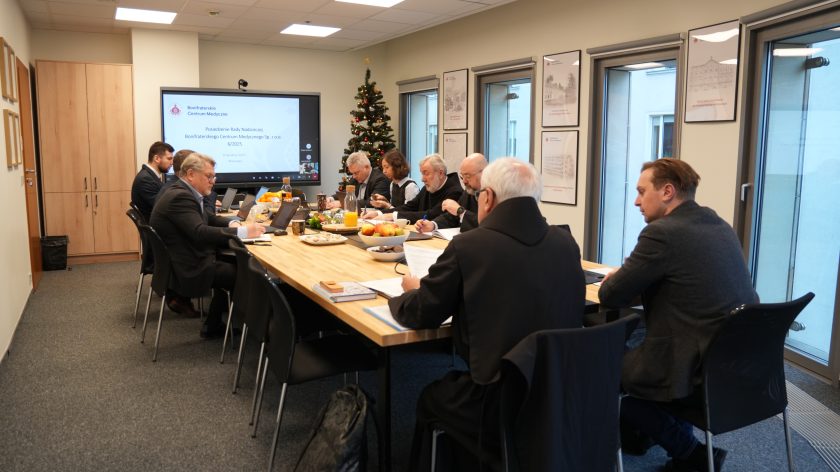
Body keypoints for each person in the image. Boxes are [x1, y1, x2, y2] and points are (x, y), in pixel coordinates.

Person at [389, 158, 586, 470]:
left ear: (487, 197)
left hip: (496, 400)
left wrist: (410, 291)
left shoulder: (469, 245)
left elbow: (421, 313)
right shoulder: (566, 242)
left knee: (430, 397)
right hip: (561, 393)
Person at [598, 158, 758, 472]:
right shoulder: (717, 224)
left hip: (692, 367)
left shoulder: (663, 234)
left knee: (600, 365)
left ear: (668, 191)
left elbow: (610, 294)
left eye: (642, 191)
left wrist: (620, 277)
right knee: (636, 349)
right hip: (738, 364)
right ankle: (656, 434)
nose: (636, 201)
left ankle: (690, 453)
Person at [150, 153, 265, 338]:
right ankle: (260, 330)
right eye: (209, 176)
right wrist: (243, 232)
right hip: (189, 267)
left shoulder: (182, 191)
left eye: (214, 176)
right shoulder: (180, 197)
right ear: (190, 174)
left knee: (238, 264)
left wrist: (231, 224)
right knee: (247, 272)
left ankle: (213, 323)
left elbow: (207, 217)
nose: (213, 181)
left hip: (183, 260)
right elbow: (200, 232)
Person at [362, 154, 462, 223]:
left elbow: (432, 214)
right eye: (422, 173)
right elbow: (410, 206)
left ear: (440, 173)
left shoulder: (455, 191)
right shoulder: (429, 187)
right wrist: (378, 213)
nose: (422, 179)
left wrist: (393, 216)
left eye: (426, 173)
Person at [415, 153, 486, 234]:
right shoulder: (469, 191)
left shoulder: (495, 195)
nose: (464, 181)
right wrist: (432, 225)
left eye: (468, 176)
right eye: (462, 177)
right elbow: (452, 216)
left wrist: (460, 211)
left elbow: (486, 225)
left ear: (484, 173)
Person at [131, 141, 174, 223]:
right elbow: (162, 206)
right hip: (157, 226)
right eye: (169, 159)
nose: (172, 163)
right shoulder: (145, 179)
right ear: (157, 159)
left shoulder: (150, 176)